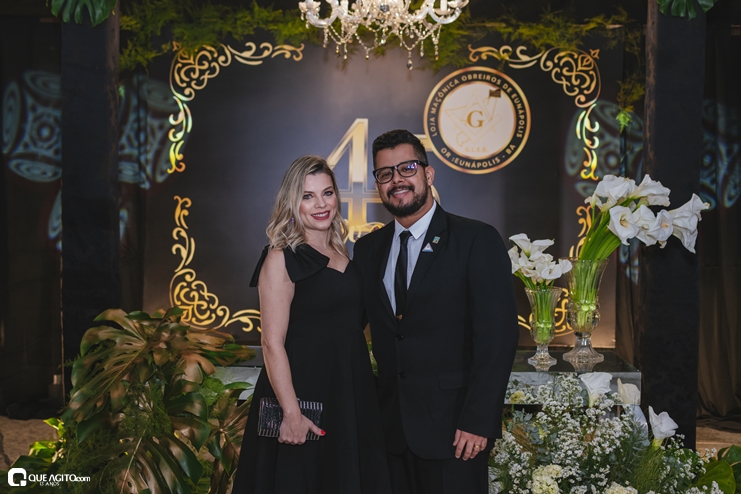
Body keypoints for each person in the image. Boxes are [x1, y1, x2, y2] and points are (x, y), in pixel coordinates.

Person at [353, 130, 519, 494]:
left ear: (428, 174)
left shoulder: (476, 239)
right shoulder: (367, 250)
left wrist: (478, 420)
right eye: (385, 173)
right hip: (389, 433)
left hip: (456, 433)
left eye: (407, 168)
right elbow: (347, 326)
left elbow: (499, 337)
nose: (397, 180)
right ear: (378, 185)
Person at [233, 156, 391, 494]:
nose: (321, 204)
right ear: (293, 203)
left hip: (348, 393)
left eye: (327, 193)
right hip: (302, 397)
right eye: (308, 196)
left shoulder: (344, 254)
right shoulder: (281, 257)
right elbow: (272, 343)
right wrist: (291, 413)